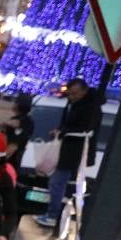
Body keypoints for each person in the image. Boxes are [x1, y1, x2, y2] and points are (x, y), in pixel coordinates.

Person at [34, 77, 103, 229]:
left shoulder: (90, 108)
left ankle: (53, 215)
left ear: (84, 91)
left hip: (74, 152)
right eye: (70, 94)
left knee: (57, 182)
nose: (72, 97)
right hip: (67, 149)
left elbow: (84, 129)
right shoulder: (74, 104)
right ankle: (55, 215)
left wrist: (63, 131)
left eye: (75, 94)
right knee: (59, 183)